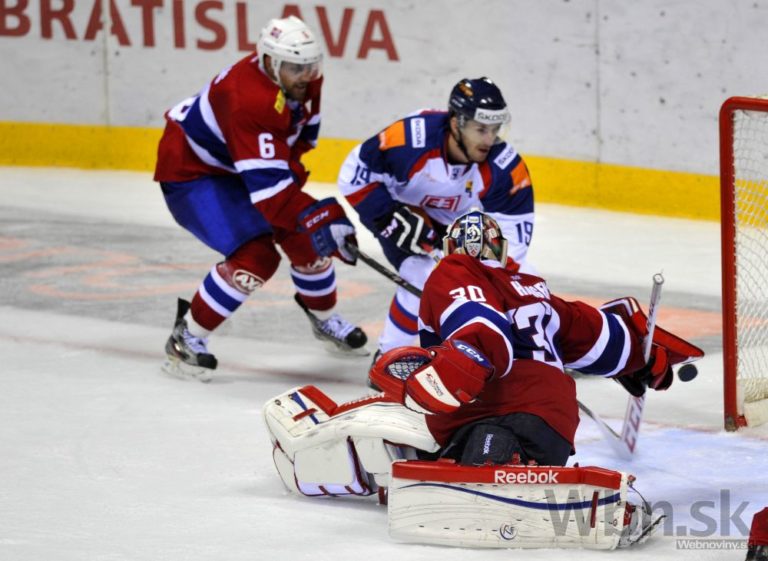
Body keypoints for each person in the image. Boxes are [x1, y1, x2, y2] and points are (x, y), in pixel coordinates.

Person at [369, 210, 704, 466]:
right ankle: (513, 468)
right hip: (556, 428)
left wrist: (455, 370)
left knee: (445, 456)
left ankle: (490, 469)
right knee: (444, 450)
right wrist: (639, 358)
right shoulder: (535, 292)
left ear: (449, 250)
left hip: (495, 416)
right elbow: (593, 334)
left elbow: (481, 327)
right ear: (500, 251)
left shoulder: (453, 270)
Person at [153, 15, 366, 380]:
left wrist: (312, 217)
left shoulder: (300, 79)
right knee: (256, 256)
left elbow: (295, 142)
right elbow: (272, 198)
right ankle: (186, 337)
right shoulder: (247, 99)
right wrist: (317, 214)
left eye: (312, 65)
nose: (307, 75)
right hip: (193, 173)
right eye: (297, 68)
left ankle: (325, 319)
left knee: (306, 237)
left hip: (240, 165)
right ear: (270, 61)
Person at [337, 77, 535, 362]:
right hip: (402, 213)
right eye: (481, 129)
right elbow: (353, 175)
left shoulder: (504, 166)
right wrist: (387, 216)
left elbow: (513, 236)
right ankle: (389, 358)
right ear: (456, 123)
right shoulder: (409, 140)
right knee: (422, 274)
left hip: (454, 224)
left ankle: (538, 351)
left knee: (525, 277)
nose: (489, 140)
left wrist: (488, 276)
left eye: (495, 129)